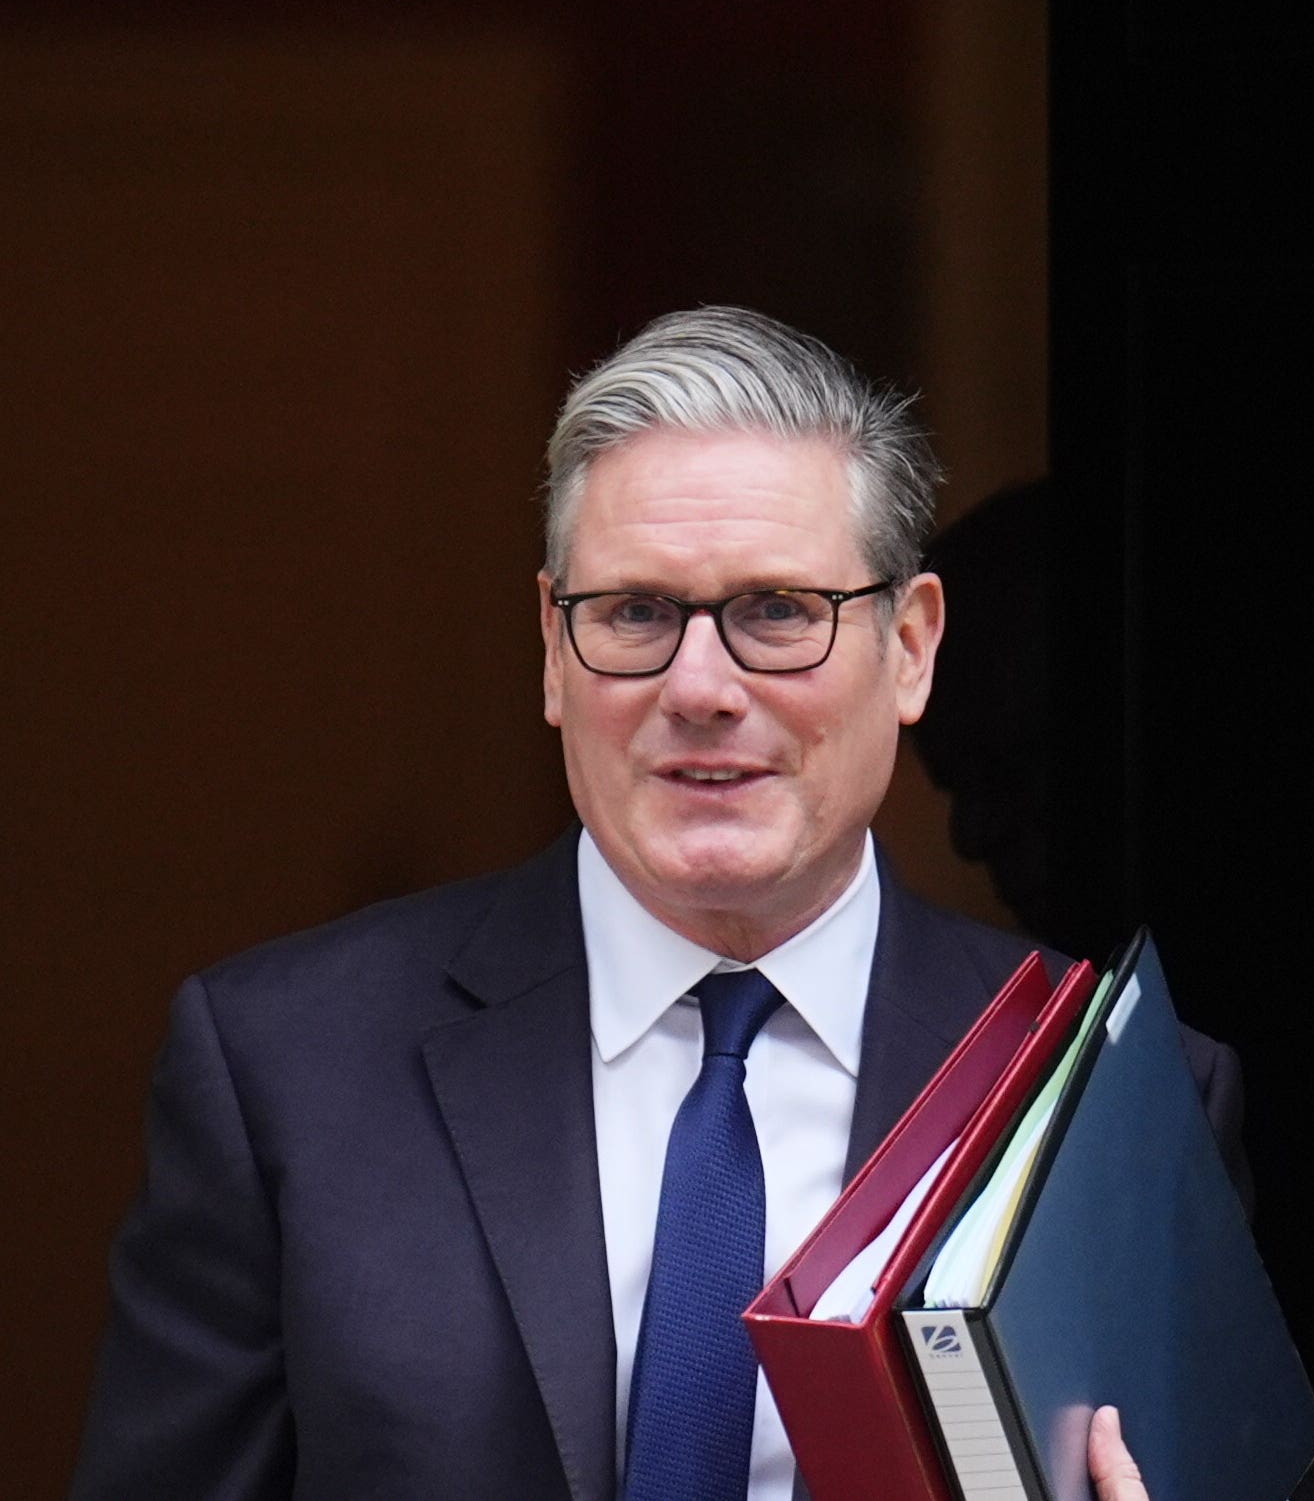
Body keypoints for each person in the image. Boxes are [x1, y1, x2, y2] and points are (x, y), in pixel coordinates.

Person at [68, 306, 1250, 1501]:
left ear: (909, 646)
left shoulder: (1101, 1093)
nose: (699, 687)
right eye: (634, 613)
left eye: (778, 612)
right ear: (549, 646)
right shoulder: (287, 1068)